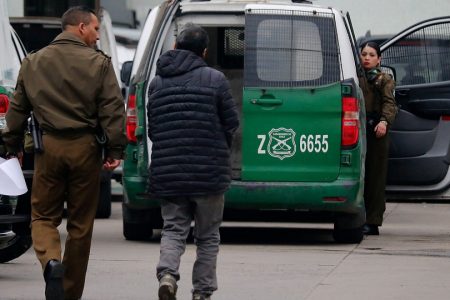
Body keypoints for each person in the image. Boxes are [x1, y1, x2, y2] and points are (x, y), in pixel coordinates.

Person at [1, 6, 126, 300]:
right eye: (95, 30)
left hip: (49, 148)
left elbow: (18, 111)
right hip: (86, 149)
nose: (97, 37)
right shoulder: (99, 64)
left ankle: (51, 262)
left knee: (43, 215)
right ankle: (69, 292)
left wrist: (11, 146)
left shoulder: (33, 62)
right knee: (81, 225)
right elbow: (113, 110)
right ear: (80, 27)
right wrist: (115, 149)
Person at [147, 23, 239, 300]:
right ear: (204, 51)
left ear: (175, 47)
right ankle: (202, 292)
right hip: (209, 173)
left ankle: (167, 275)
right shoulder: (216, 79)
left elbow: (154, 129)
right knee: (208, 236)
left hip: (170, 172)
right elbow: (231, 123)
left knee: (173, 230)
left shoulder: (157, 82)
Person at [359, 42, 397, 235]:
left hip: (376, 131)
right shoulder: (356, 78)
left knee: (375, 177)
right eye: (364, 54)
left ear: (379, 59)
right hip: (359, 130)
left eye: (371, 54)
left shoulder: (384, 80)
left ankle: (373, 221)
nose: (367, 58)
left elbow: (390, 104)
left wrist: (383, 122)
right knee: (360, 175)